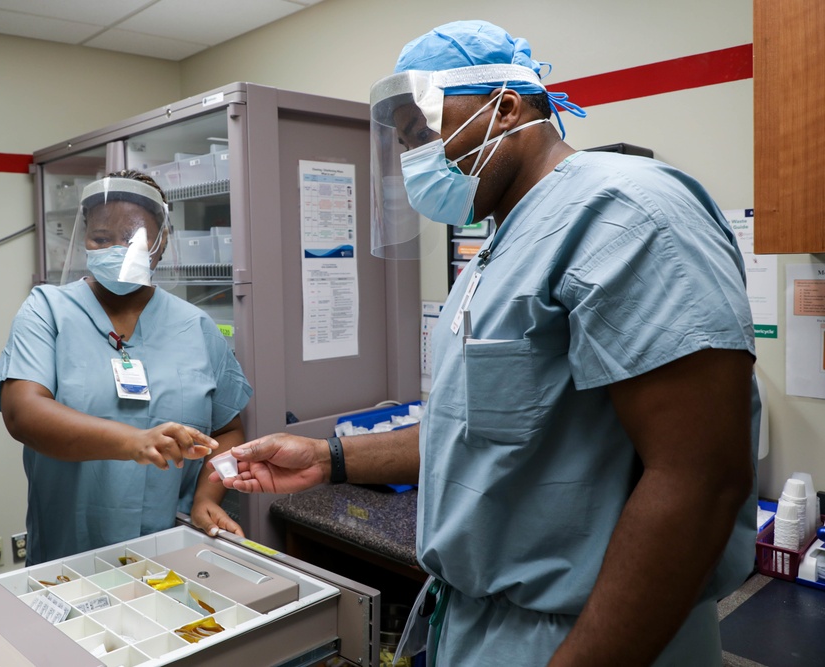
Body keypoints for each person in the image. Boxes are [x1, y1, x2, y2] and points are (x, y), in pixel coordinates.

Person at [213, 20, 759, 667]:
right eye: (406, 140)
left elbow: (698, 479)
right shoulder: (491, 255)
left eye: (426, 130)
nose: (417, 154)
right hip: (480, 628)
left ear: (506, 105)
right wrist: (328, 457)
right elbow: (478, 429)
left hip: (593, 635)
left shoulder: (627, 211)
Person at [0, 169, 252, 565]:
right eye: (101, 238)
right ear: (84, 240)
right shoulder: (47, 311)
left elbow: (229, 430)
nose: (116, 249)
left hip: (174, 546)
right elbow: (22, 413)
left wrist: (206, 499)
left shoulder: (196, 327)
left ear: (161, 244)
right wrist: (133, 441)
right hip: (70, 551)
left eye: (133, 238)